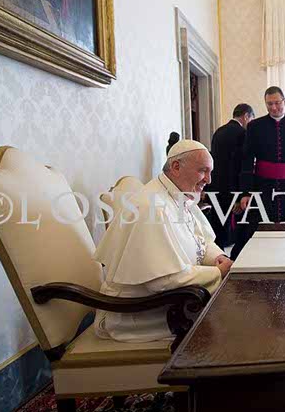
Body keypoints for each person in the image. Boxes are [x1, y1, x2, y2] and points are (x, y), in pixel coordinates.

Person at [94, 140, 233, 342]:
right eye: (203, 171)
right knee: (229, 319)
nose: (209, 180)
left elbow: (200, 238)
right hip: (139, 314)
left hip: (171, 300)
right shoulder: (152, 207)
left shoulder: (179, 195)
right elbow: (164, 280)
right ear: (176, 167)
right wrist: (217, 272)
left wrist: (217, 257)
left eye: (210, 172)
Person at [231, 87, 285, 259]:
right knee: (258, 228)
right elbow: (247, 161)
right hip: (262, 186)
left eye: (277, 103)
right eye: (269, 104)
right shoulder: (254, 126)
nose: (274, 107)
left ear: (284, 102)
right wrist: (245, 192)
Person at [208, 103, 255, 249]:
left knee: (218, 230)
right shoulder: (242, 134)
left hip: (216, 187)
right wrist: (241, 195)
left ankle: (218, 257)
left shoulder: (218, 132)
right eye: (251, 119)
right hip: (233, 189)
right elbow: (239, 167)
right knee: (241, 231)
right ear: (246, 116)